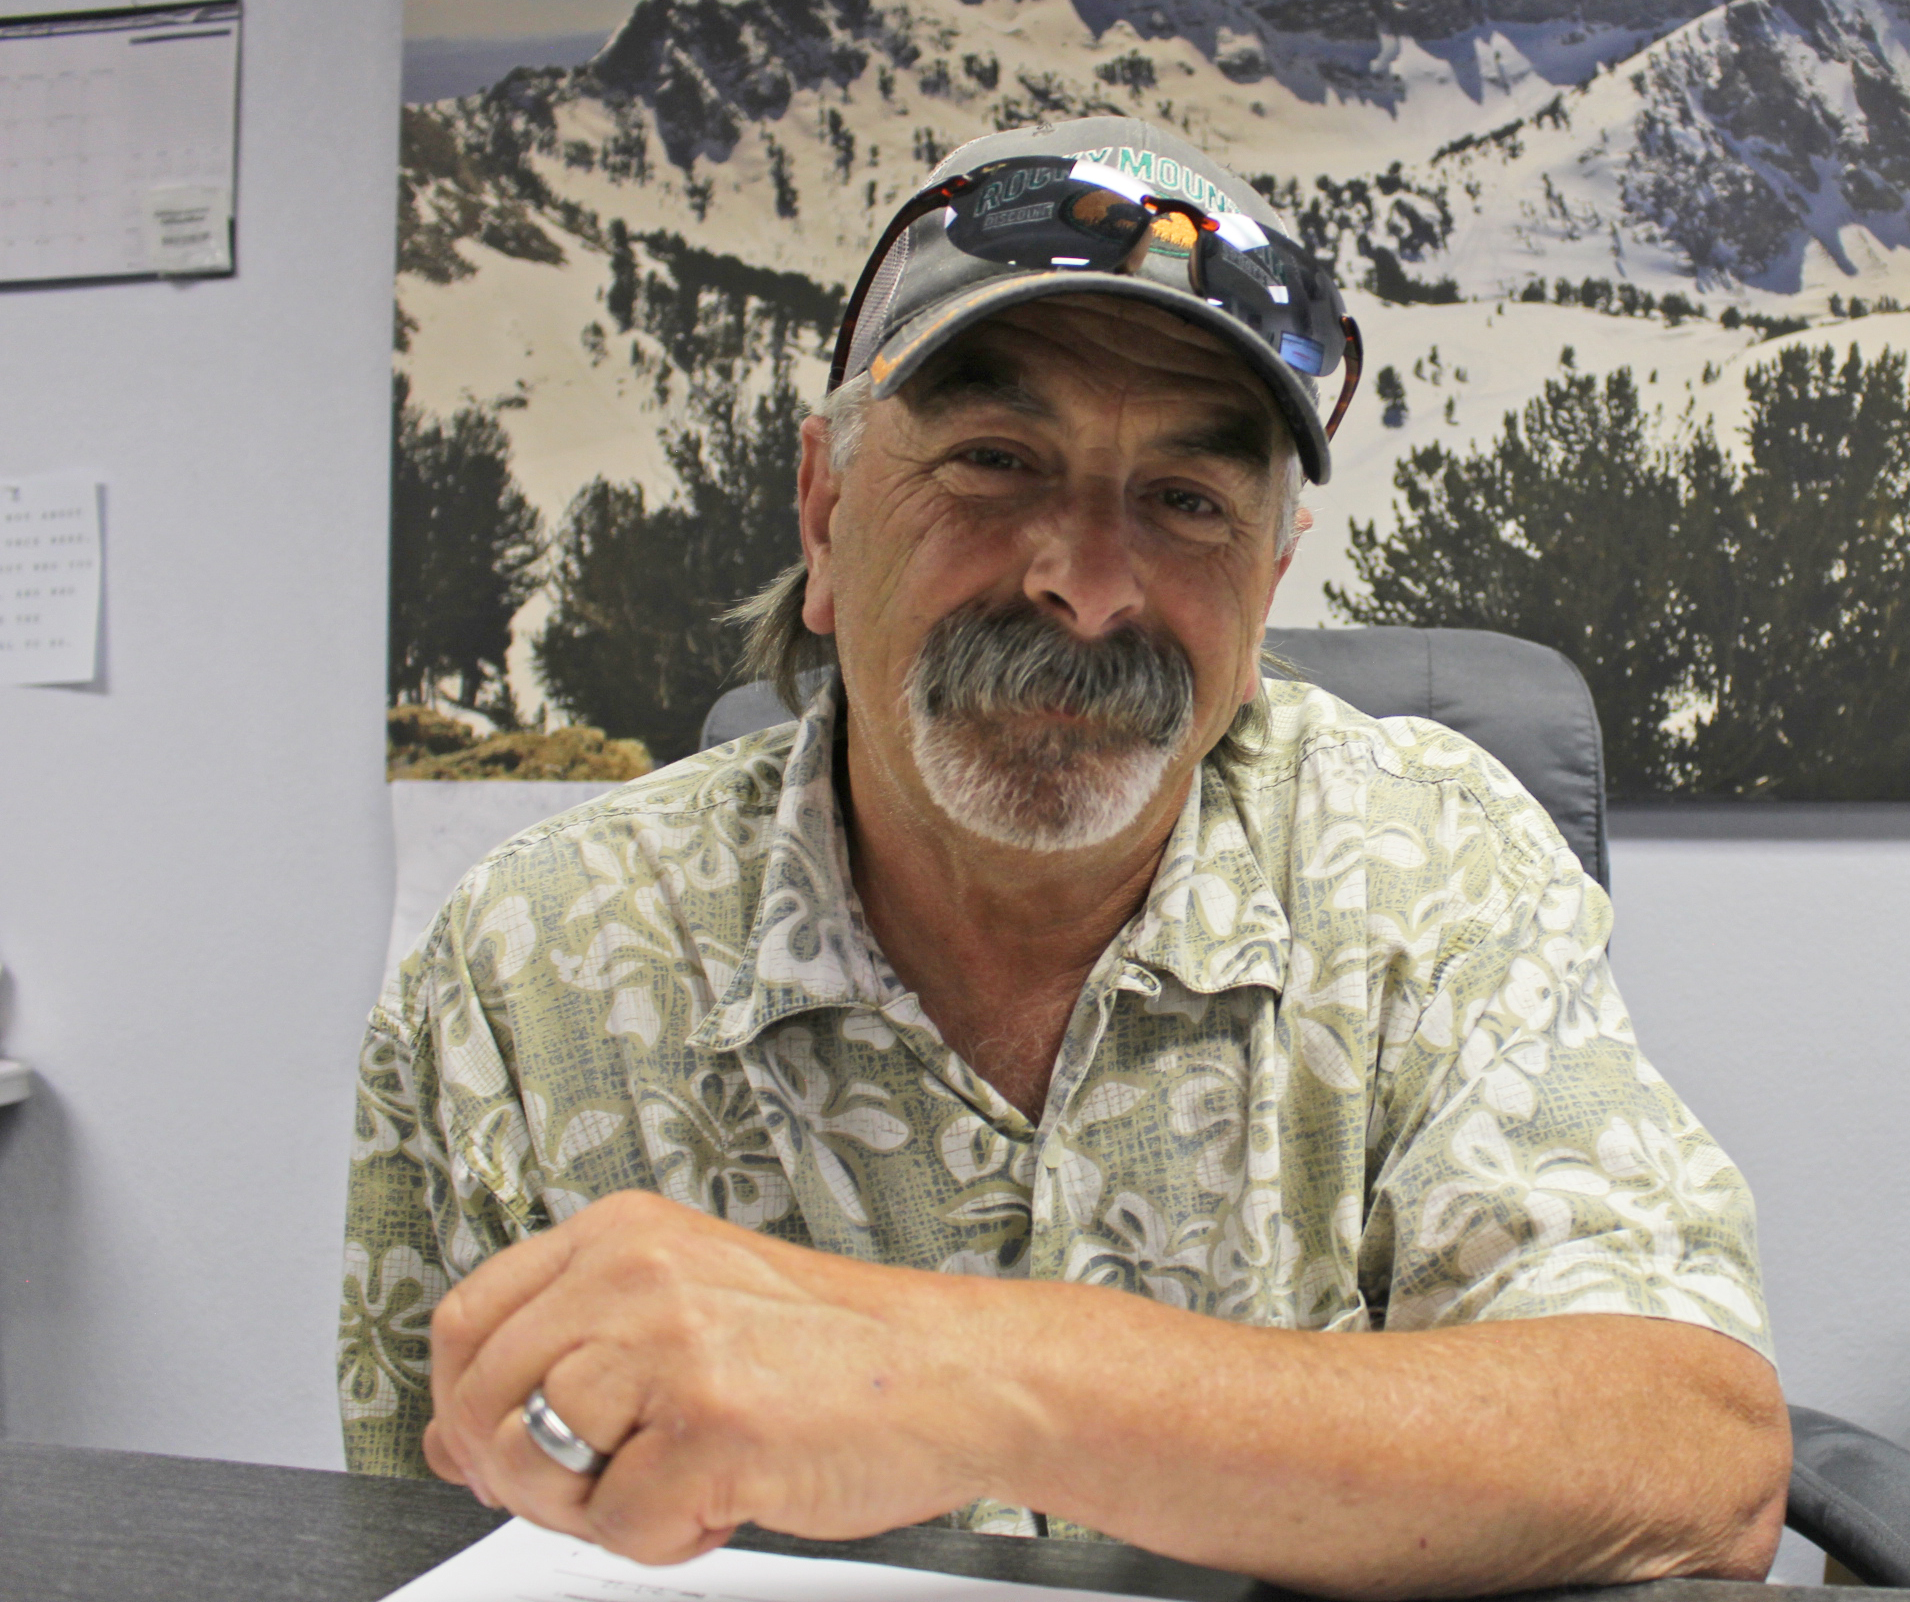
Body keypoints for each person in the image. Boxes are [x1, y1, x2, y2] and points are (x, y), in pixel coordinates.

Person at [341, 117, 1786, 1596]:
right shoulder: (528, 964)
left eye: (1187, 502)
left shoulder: (1431, 868)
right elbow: (416, 1540)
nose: (1088, 585)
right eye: (994, 461)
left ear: (1269, 579)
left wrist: (962, 1383)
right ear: (825, 513)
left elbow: (1690, 1455)